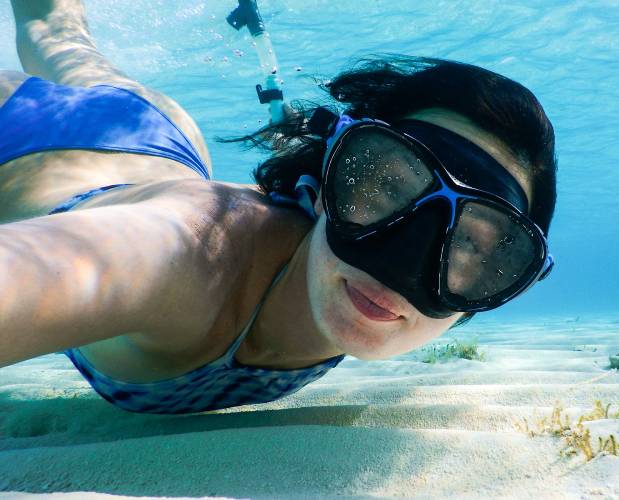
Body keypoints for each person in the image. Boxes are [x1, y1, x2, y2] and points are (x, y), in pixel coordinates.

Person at [0, 0, 557, 414]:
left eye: (471, 247)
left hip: (162, 137)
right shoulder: (194, 252)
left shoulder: (331, 280)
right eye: (388, 187)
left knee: (56, 32)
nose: (400, 268)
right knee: (49, 28)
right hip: (26, 141)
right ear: (326, 186)